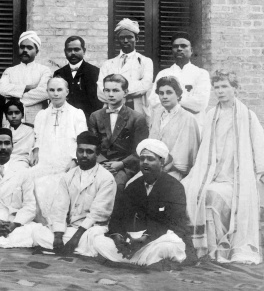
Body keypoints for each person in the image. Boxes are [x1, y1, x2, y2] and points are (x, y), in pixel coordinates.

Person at [182, 71, 263, 264]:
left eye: (225, 86)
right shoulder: (211, 115)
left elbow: (260, 146)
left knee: (212, 194)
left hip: (235, 178)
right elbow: (205, 150)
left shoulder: (248, 116)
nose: (220, 91)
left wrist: (261, 172)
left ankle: (219, 249)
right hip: (212, 172)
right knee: (186, 187)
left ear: (235, 89)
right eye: (216, 87)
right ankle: (198, 246)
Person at [94, 139, 197, 267]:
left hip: (159, 237)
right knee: (98, 240)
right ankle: (141, 261)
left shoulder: (175, 187)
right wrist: (119, 238)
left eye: (150, 159)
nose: (145, 162)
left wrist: (146, 238)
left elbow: (172, 223)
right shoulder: (133, 187)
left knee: (168, 246)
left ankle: (134, 260)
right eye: (142, 159)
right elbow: (117, 217)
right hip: (134, 240)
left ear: (162, 162)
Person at [25, 132, 116, 256]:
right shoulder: (68, 176)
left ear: (97, 153)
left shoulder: (106, 178)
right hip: (70, 228)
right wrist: (58, 236)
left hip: (92, 229)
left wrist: (75, 239)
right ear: (76, 152)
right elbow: (60, 208)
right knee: (37, 233)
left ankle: (68, 248)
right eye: (80, 151)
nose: (84, 155)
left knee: (98, 241)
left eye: (89, 152)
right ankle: (76, 249)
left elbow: (97, 214)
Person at [27, 77, 88, 222]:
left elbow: (82, 140)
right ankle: (40, 220)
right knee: (30, 179)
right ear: (47, 92)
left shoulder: (76, 113)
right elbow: (38, 137)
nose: (56, 94)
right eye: (52, 90)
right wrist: (36, 150)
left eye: (59, 90)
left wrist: (75, 159)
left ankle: (57, 221)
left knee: (59, 183)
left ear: (67, 92)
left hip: (67, 161)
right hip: (46, 159)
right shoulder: (42, 115)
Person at [88, 74, 149, 190]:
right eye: (107, 90)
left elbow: (140, 150)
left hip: (126, 166)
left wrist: (121, 164)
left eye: (115, 90)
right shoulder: (95, 116)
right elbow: (92, 146)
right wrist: (103, 163)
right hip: (100, 164)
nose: (110, 94)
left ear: (125, 92)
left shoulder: (137, 118)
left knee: (116, 186)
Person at [147, 32, 211, 125]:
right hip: (168, 122)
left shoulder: (201, 73)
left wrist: (170, 100)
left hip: (193, 123)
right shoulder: (163, 73)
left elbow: (200, 104)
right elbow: (154, 101)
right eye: (176, 46)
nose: (179, 49)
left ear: (191, 50)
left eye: (183, 46)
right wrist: (185, 100)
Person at [147, 76, 201, 180]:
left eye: (169, 92)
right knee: (132, 185)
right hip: (153, 167)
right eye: (161, 93)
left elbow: (184, 155)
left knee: (157, 189)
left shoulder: (188, 118)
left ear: (178, 95)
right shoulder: (157, 114)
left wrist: (164, 165)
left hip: (174, 170)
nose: (164, 96)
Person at [98, 18, 154, 117]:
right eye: (122, 37)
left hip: (136, 110)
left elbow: (145, 86)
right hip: (112, 111)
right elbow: (101, 92)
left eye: (129, 37)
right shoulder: (108, 64)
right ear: (118, 40)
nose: (125, 41)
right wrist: (133, 86)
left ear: (136, 39)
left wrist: (113, 90)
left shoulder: (145, 61)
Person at [0, 31, 53, 125]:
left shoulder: (44, 70)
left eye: (29, 47)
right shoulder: (9, 71)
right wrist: (26, 87)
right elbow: (2, 89)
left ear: (37, 51)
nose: (25, 50)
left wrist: (15, 101)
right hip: (11, 120)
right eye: (22, 47)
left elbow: (44, 92)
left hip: (36, 120)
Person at [53, 36, 102, 118]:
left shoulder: (95, 72)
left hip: (88, 121)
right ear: (65, 52)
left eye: (76, 49)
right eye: (69, 50)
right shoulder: (59, 73)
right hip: (65, 120)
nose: (73, 53)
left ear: (84, 51)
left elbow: (98, 102)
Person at [3, 99, 34, 168]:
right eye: (10, 113)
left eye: (17, 113)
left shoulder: (29, 130)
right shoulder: (3, 131)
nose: (13, 116)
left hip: (21, 160)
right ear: (6, 117)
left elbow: (27, 150)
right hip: (3, 159)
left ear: (22, 115)